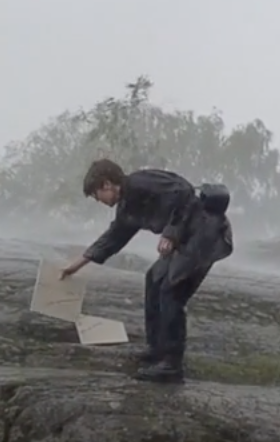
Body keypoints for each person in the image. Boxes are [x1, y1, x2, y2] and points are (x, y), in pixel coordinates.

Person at [59, 158, 232, 383]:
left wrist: (171, 233)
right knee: (154, 278)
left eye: (96, 195)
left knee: (171, 290)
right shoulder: (127, 207)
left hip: (206, 234)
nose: (98, 201)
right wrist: (76, 265)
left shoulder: (141, 182)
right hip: (186, 239)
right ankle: (156, 348)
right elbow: (113, 238)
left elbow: (185, 192)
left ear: (106, 184)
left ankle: (171, 365)